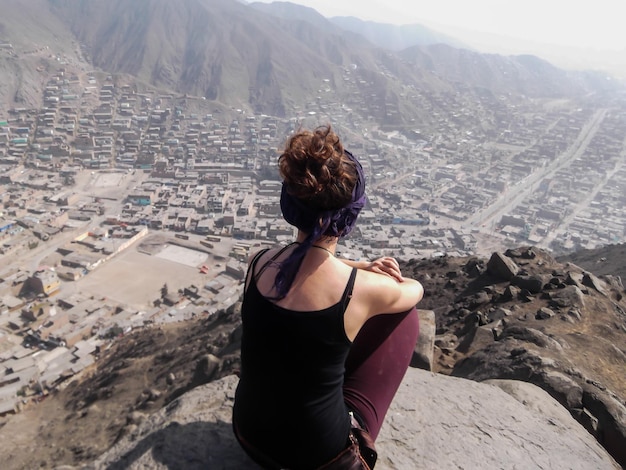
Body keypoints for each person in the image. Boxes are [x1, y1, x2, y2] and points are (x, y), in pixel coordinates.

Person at [233, 125, 424, 469]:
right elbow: (413, 291)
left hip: (248, 436)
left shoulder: (259, 262)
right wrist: (371, 272)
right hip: (321, 460)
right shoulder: (361, 289)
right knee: (405, 317)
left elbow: (302, 259)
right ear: (350, 214)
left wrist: (361, 266)